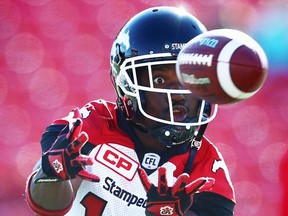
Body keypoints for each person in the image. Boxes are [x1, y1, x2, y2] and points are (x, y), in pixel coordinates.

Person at [25, 6, 235, 216]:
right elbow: (46, 207)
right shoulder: (92, 125)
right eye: (160, 79)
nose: (179, 94)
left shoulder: (207, 167)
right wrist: (51, 174)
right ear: (128, 84)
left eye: (186, 78)